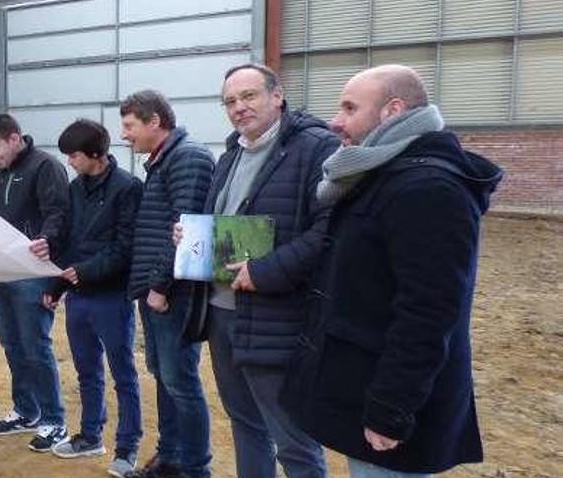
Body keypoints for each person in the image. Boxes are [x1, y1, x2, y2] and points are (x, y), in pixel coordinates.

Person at [286, 65, 498, 477]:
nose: (336, 121)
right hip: (362, 389)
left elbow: (429, 312)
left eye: (349, 108)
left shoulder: (429, 189)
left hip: (392, 414)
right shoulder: (381, 174)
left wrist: (391, 409)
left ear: (392, 111)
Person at [201, 64, 339, 478]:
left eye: (249, 96)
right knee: (245, 423)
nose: (239, 108)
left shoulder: (316, 148)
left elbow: (329, 231)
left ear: (277, 96)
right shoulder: (231, 155)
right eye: (230, 101)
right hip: (223, 310)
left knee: (293, 440)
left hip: (276, 316)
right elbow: (225, 220)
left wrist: (265, 272)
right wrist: (194, 237)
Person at [121, 90, 217, 478]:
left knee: (181, 381)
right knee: (165, 376)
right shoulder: (163, 161)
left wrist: (160, 285)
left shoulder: (188, 158)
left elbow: (186, 229)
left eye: (129, 125)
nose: (124, 134)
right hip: (155, 290)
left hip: (173, 294)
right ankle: (170, 458)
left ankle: (195, 469)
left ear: (154, 122)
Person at [42, 120, 144, 478]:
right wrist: (57, 288)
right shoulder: (74, 189)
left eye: (74, 155)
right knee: (87, 371)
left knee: (123, 374)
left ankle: (128, 447)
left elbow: (125, 247)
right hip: (78, 297)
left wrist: (85, 271)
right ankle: (90, 436)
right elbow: (68, 240)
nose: (69, 161)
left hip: (111, 297)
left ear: (96, 155)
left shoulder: (128, 188)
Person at [0, 113, 71, 453]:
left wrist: (48, 238)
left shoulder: (45, 167)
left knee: (35, 346)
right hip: (2, 273)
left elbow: (58, 212)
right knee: (12, 343)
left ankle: (54, 420)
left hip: (32, 273)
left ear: (15, 138)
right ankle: (27, 410)